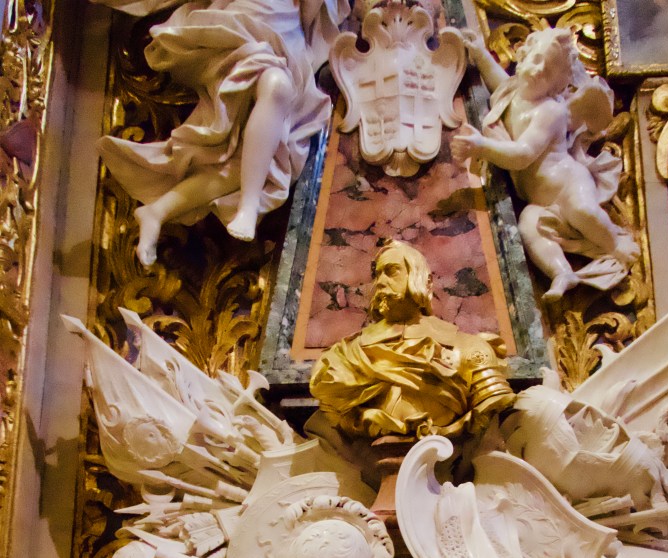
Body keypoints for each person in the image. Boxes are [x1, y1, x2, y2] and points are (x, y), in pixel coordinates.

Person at [93, 0, 349, 266]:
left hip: (287, 44)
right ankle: (248, 205)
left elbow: (310, 13)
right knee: (277, 87)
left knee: (254, 161)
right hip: (243, 32)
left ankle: (157, 211)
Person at [450, 27, 638, 300]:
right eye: (535, 59)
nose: (538, 70)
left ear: (557, 85)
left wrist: (481, 146)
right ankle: (561, 272)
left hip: (568, 184)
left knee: (582, 211)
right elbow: (498, 82)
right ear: (522, 56)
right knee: (529, 227)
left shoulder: (551, 111)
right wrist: (480, 54)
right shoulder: (513, 92)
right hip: (538, 201)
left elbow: (523, 154)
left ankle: (615, 243)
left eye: (548, 72)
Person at [308, 238, 516, 440]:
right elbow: (334, 411)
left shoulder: (468, 347)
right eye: (378, 274)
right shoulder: (344, 355)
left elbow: (489, 410)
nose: (380, 282)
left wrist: (440, 434)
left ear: (424, 280)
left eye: (391, 271)